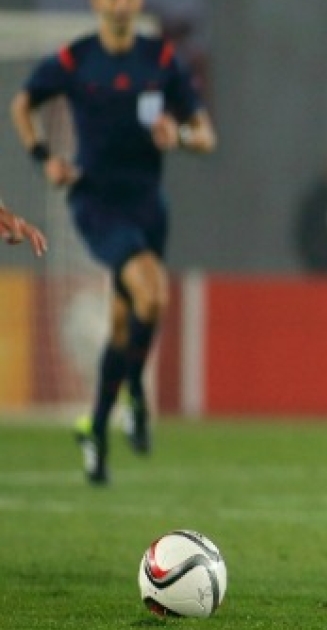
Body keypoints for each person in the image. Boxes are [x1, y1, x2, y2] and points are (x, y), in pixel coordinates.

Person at [11, 0, 217, 485]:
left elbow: (205, 135)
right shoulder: (76, 58)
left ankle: (96, 431)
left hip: (148, 206)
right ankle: (137, 395)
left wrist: (177, 135)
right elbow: (22, 105)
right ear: (97, 4)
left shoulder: (160, 58)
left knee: (127, 323)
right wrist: (44, 157)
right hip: (97, 203)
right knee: (154, 294)